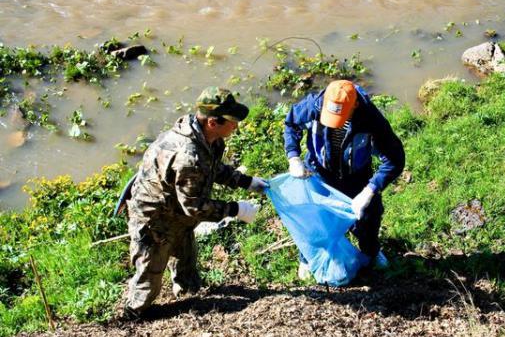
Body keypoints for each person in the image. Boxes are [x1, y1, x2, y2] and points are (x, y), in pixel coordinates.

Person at [123, 87, 268, 318]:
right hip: (155, 219)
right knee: (149, 277)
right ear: (212, 122)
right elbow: (195, 207)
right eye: (232, 121)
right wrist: (236, 209)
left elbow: (211, 169)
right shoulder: (189, 156)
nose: (236, 126)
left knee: (187, 262)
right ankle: (133, 316)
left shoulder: (207, 139)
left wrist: (246, 182)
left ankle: (189, 298)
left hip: (178, 213)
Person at [283, 80, 405, 279]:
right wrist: (293, 157)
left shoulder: (370, 118)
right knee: (317, 219)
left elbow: (395, 159)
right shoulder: (314, 105)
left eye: (340, 117)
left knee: (368, 218)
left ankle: (371, 253)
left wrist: (370, 190)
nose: (332, 123)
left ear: (354, 105)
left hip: (356, 176)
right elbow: (291, 124)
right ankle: (308, 258)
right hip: (318, 171)